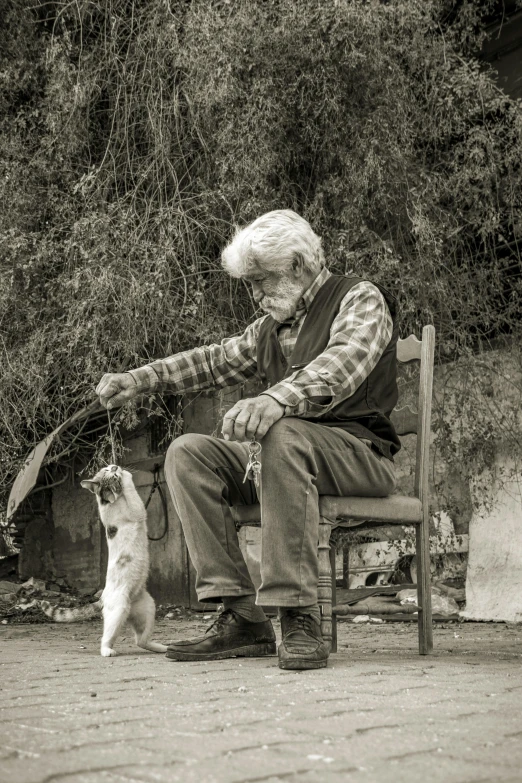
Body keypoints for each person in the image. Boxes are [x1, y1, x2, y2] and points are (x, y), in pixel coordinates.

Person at [96, 209, 400, 670]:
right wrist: (141, 378)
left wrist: (276, 400)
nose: (255, 295)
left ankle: (298, 613)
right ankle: (241, 615)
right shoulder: (267, 330)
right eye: (250, 284)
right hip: (286, 455)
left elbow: (342, 363)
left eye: (261, 280)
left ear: (298, 265)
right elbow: (212, 362)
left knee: (280, 433)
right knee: (187, 454)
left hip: (358, 454)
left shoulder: (359, 299)